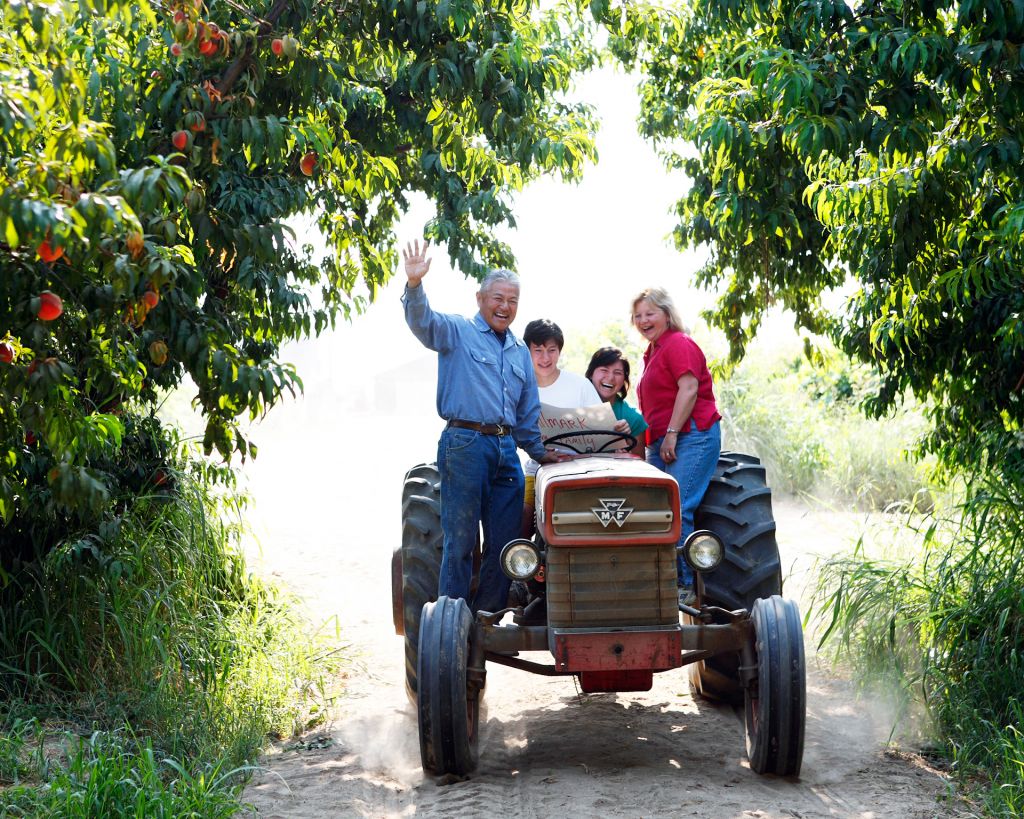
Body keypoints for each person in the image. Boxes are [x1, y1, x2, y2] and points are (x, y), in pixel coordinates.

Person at [401, 240, 561, 615]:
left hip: (507, 452)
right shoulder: (457, 331)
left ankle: (486, 620)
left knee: (506, 543)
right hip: (465, 442)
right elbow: (422, 322)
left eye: (512, 301)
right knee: (460, 539)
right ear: (480, 298)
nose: (505, 306)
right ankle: (452, 621)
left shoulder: (520, 350)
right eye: (498, 298)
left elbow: (526, 413)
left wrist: (541, 453)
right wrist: (413, 285)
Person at [632, 288, 722, 605]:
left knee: (676, 506)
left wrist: (672, 432)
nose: (643, 320)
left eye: (650, 313)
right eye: (638, 315)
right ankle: (653, 580)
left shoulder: (678, 344)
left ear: (667, 315)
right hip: (661, 439)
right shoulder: (652, 353)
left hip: (691, 434)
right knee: (650, 509)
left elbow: (689, 388)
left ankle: (683, 586)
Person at [520, 319, 603, 534]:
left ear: (559, 351)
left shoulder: (581, 386)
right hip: (538, 469)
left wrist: (617, 429)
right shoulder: (520, 389)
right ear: (527, 351)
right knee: (522, 517)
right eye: (537, 350)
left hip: (583, 467)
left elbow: (603, 427)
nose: (545, 358)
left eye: (551, 350)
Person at [585, 346, 648, 456]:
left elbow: (640, 462)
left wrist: (627, 449)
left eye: (617, 373)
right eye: (604, 370)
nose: (610, 378)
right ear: (591, 373)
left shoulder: (633, 417)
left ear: (624, 380)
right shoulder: (573, 404)